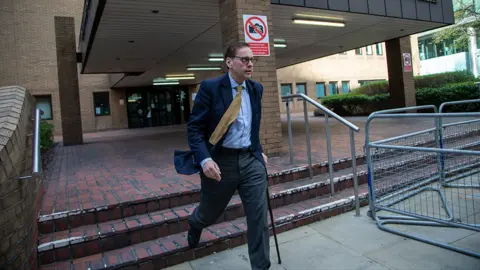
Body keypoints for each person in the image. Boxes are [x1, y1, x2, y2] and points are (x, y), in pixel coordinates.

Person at [173, 41, 270, 269]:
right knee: (210, 213)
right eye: (244, 59)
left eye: (252, 60)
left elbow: (252, 125)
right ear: (229, 62)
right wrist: (205, 159)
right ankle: (196, 223)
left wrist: (258, 150)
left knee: (258, 217)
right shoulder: (210, 88)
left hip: (250, 161)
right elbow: (194, 128)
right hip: (220, 161)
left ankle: (261, 266)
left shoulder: (256, 89)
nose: (250, 64)